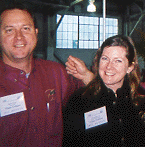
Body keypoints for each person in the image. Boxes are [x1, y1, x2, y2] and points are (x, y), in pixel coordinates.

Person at [0, 3, 85, 146]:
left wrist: (88, 75)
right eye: (9, 30)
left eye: (26, 29)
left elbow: (90, 94)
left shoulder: (55, 73)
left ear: (36, 33)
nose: (19, 37)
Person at [63, 35, 145, 147]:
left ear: (129, 67)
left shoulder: (142, 98)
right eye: (105, 58)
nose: (109, 67)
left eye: (118, 61)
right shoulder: (79, 100)